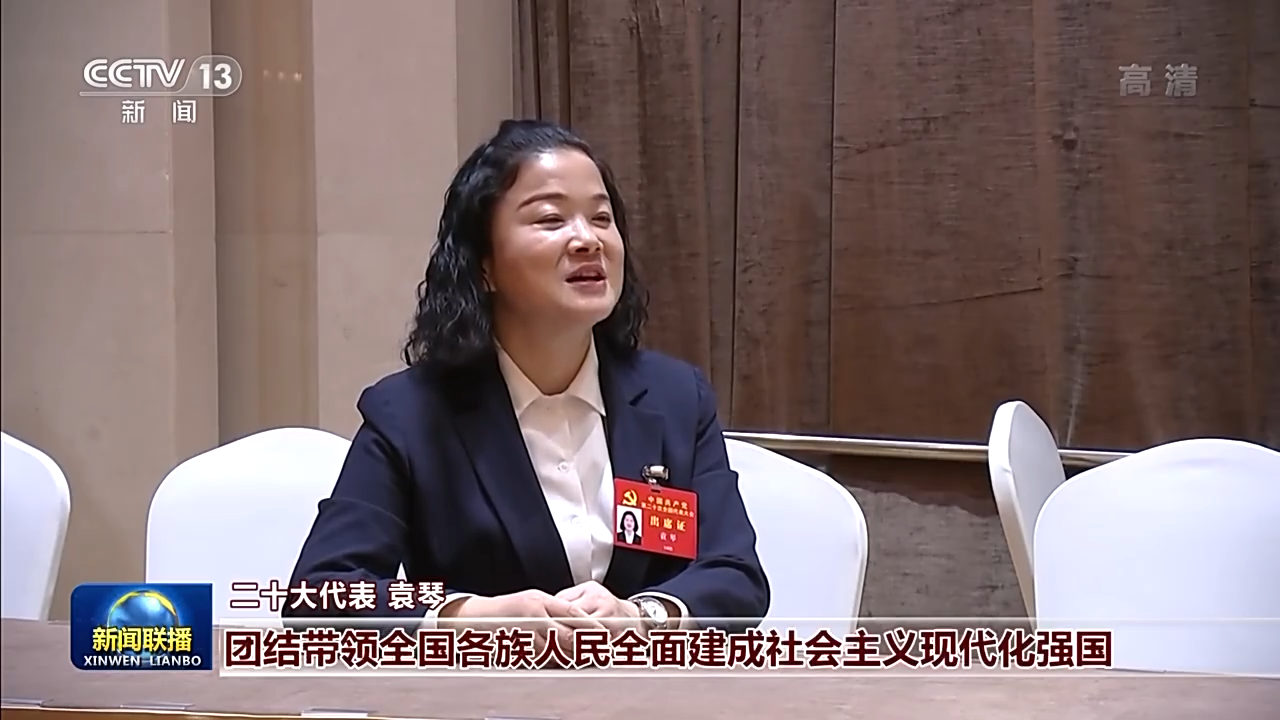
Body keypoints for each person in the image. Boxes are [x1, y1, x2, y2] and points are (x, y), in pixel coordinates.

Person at [285, 119, 769, 641]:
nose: (588, 240)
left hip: (643, 685)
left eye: (602, 218)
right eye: (551, 219)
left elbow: (735, 574)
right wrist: (470, 618)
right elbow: (321, 593)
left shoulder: (675, 397)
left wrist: (642, 616)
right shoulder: (411, 414)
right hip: (488, 685)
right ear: (485, 265)